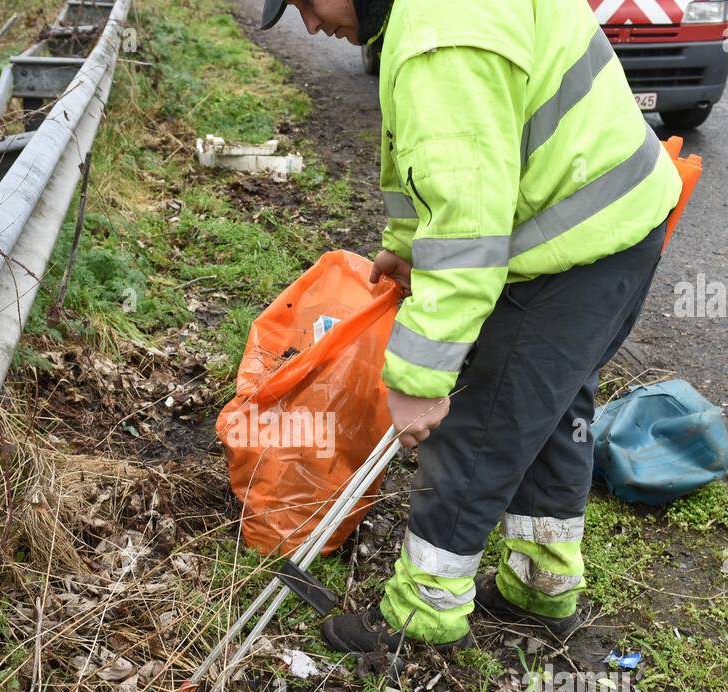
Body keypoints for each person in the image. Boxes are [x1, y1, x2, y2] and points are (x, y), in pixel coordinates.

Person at [258, 0, 681, 652]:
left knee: (477, 431)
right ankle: (538, 590)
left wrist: (421, 378)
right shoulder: (420, 18)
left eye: (306, 3)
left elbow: (466, 227)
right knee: (548, 416)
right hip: (616, 230)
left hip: (572, 249)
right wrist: (405, 245)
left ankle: (418, 622)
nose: (310, 24)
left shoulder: (437, 39)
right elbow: (436, 174)